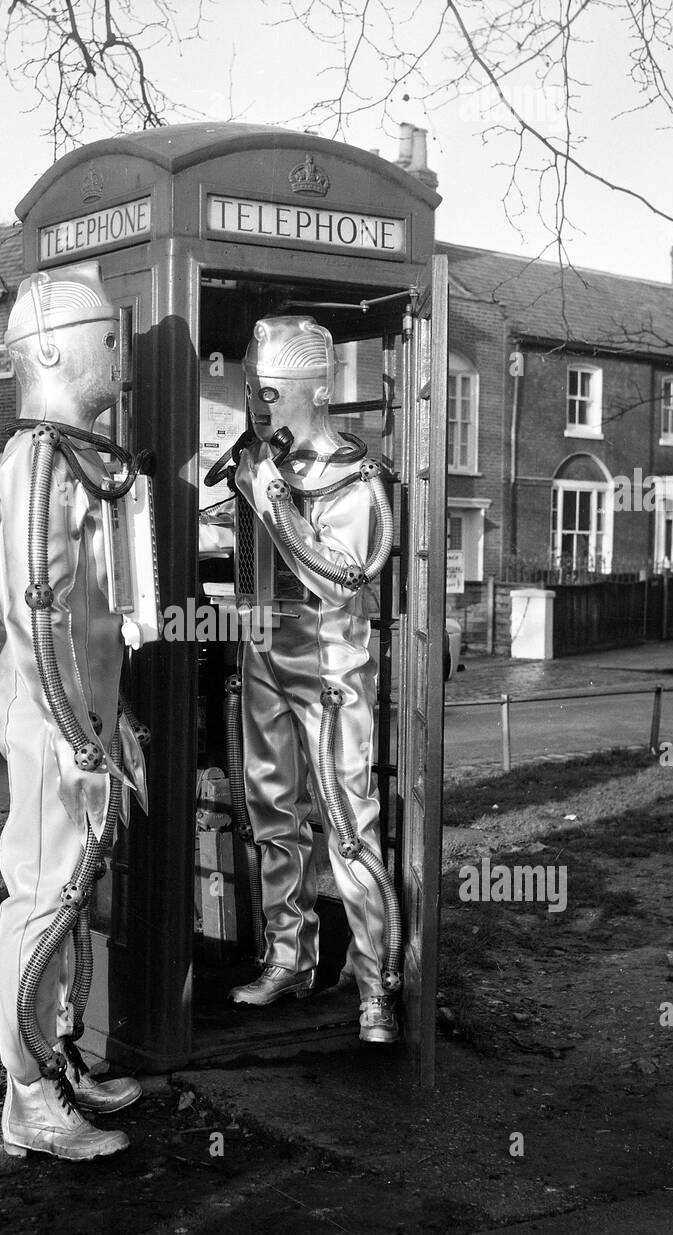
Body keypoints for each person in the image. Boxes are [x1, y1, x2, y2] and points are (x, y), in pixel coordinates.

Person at [0, 260, 148, 1160]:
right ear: (52, 347)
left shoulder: (70, 458)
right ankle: (26, 1097)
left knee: (69, 898)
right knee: (44, 900)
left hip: (79, 721)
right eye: (105, 340)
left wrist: (107, 717)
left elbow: (86, 622)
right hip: (60, 729)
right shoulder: (41, 460)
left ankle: (55, 1061)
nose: (117, 358)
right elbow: (39, 616)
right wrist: (80, 731)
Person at [228, 315, 401, 1044]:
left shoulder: (357, 476)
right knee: (272, 814)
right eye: (255, 394)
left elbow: (342, 573)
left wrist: (269, 497)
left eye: (272, 393)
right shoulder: (261, 461)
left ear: (315, 392)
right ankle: (290, 958)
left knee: (350, 826)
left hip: (330, 656)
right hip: (261, 643)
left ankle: (374, 988)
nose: (262, 409)